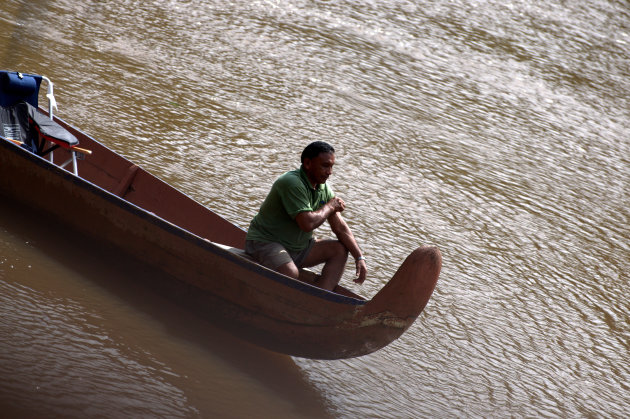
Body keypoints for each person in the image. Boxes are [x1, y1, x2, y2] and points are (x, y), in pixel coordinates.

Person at [245, 141, 367, 291]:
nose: (330, 172)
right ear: (308, 163)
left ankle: (321, 299)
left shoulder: (324, 188)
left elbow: (340, 228)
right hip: (265, 242)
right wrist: (330, 206)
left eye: (331, 166)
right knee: (290, 273)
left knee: (340, 250)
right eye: (325, 166)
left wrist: (359, 257)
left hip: (297, 248)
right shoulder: (292, 183)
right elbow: (307, 223)